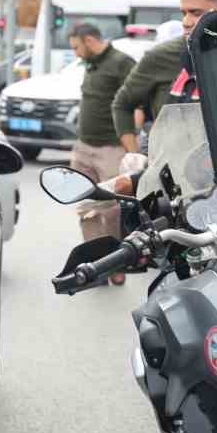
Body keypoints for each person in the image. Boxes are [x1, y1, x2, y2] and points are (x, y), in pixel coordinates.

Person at [110, 0, 217, 151]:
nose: (186, 22)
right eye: (184, 13)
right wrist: (136, 158)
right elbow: (122, 104)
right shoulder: (162, 56)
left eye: (196, 13)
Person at [66, 23, 138, 280]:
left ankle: (115, 266)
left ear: (89, 40)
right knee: (85, 205)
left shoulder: (121, 62)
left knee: (111, 210)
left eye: (76, 47)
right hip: (83, 146)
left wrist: (131, 148)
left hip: (110, 148)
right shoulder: (91, 62)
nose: (75, 53)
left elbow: (135, 103)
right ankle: (93, 265)